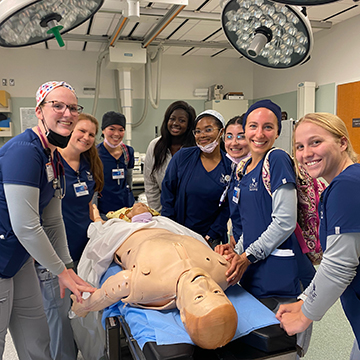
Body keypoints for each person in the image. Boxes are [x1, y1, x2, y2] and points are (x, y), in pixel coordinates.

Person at [0, 81, 95, 360]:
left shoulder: (53, 157)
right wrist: (61, 272)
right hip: (4, 254)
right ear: (39, 111)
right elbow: (27, 226)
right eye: (58, 105)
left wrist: (67, 266)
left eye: (73, 108)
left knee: (37, 336)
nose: (67, 113)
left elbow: (52, 220)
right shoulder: (24, 152)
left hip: (19, 259)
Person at [215, 100, 315, 356]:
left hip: (281, 276)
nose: (259, 134)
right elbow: (249, 226)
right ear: (245, 128)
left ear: (278, 132)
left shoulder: (277, 159)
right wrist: (235, 251)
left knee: (281, 350)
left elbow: (284, 221)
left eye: (268, 127)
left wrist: (246, 256)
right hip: (254, 274)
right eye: (253, 126)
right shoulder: (242, 169)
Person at [71, 203, 238, 350]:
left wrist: (82, 307)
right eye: (216, 293)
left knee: (101, 226)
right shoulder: (223, 274)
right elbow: (233, 259)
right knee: (140, 207)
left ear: (184, 315)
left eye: (199, 297)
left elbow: (110, 291)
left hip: (126, 233)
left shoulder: (148, 286)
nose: (203, 284)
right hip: (166, 227)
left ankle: (97, 216)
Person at [276, 113, 360, 360]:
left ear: (342, 143)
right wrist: (304, 300)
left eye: (315, 142)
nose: (306, 153)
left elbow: (339, 266)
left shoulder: (347, 186)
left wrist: (305, 316)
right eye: (299, 147)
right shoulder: (343, 183)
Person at [35, 113, 104, 360]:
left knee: (82, 311)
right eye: (81, 131)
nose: (85, 137)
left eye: (91, 134)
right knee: (58, 318)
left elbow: (89, 206)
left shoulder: (88, 165)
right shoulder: (51, 164)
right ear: (69, 129)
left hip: (83, 251)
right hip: (55, 255)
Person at [161, 109, 233, 249]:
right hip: (179, 233)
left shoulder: (229, 166)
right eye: (198, 131)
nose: (202, 135)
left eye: (208, 129)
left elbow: (228, 207)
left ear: (221, 131)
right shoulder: (183, 157)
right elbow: (168, 192)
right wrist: (170, 228)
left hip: (212, 239)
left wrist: (210, 236)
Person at [144, 101, 196, 212]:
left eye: (182, 121)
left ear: (189, 126)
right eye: (172, 119)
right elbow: (150, 183)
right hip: (163, 210)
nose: (175, 123)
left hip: (191, 211)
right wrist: (158, 213)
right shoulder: (155, 146)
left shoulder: (195, 149)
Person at [97, 111, 135, 218]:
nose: (116, 134)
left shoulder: (128, 152)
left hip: (127, 210)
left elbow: (129, 179)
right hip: (104, 211)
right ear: (103, 130)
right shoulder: (95, 154)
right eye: (112, 129)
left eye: (121, 130)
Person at [223, 114, 250, 248]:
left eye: (241, 136)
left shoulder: (259, 169)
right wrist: (233, 232)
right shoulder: (236, 168)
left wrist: (240, 249)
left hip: (257, 248)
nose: (234, 142)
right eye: (229, 136)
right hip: (240, 242)